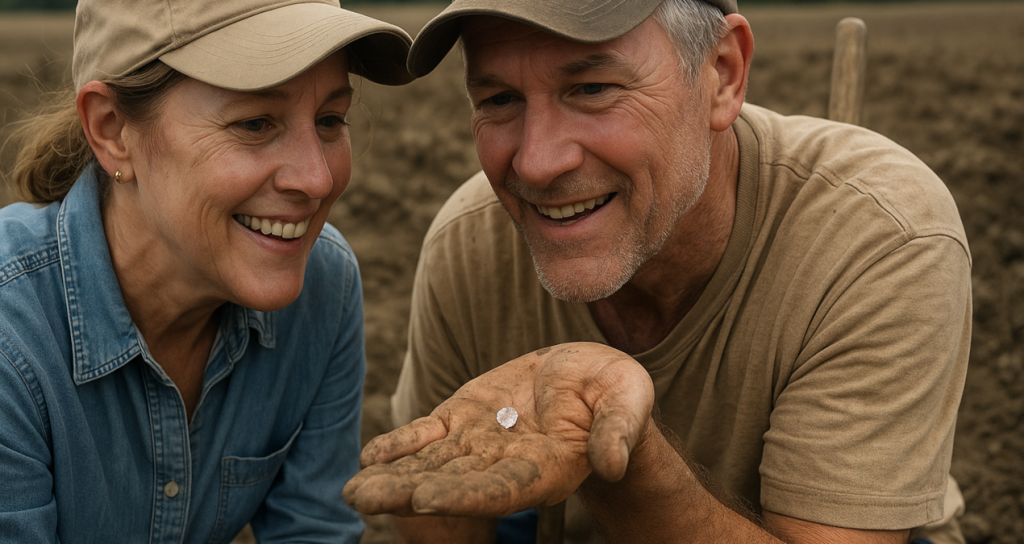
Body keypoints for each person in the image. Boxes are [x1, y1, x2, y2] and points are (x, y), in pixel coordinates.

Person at [341, 1, 972, 543]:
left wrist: (626, 454)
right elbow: (437, 521)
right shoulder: (470, 245)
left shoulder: (880, 239)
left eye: (592, 89)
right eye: (500, 99)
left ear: (722, 75)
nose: (535, 164)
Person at [0, 0, 412, 542]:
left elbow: (312, 530)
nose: (316, 179)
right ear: (112, 129)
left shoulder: (323, 287)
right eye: (256, 123)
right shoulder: (14, 339)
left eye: (330, 119)